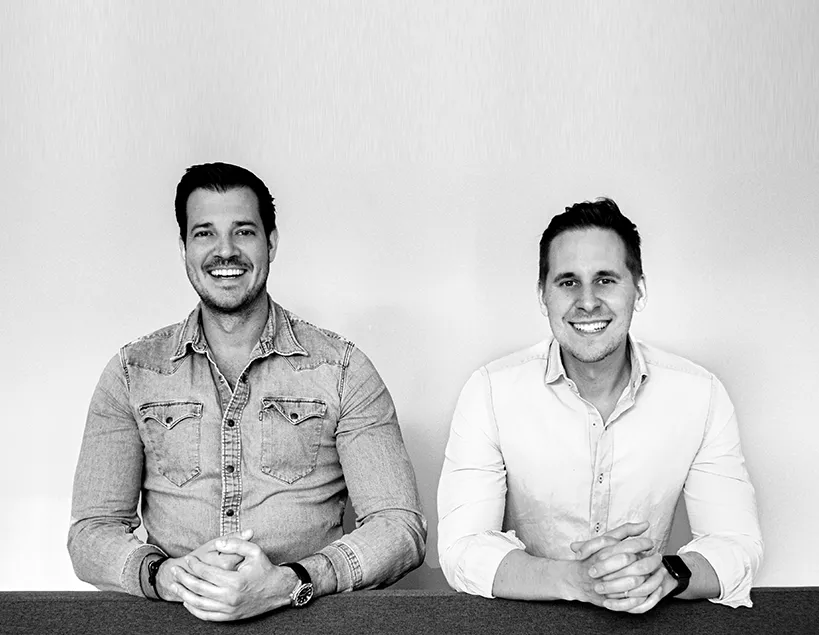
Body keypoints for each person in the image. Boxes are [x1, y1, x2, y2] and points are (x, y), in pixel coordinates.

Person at [69, 162, 426, 621]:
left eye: (243, 231)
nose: (225, 250)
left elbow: (400, 527)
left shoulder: (342, 369)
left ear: (270, 243)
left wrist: (293, 581)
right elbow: (91, 532)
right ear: (183, 248)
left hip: (308, 621)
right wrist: (166, 576)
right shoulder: (131, 373)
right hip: (172, 622)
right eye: (204, 233)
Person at [437, 198, 762, 612]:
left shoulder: (701, 395)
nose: (588, 301)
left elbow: (737, 544)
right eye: (568, 282)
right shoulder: (489, 392)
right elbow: (462, 549)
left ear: (638, 289)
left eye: (605, 280)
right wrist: (577, 580)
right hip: (525, 623)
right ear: (543, 295)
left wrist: (666, 574)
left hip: (646, 619)